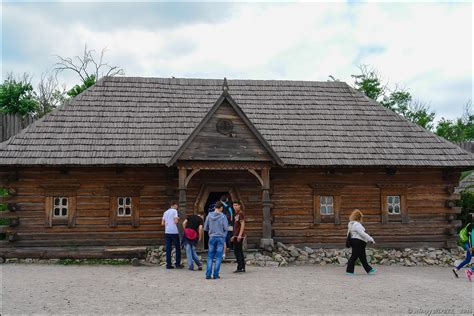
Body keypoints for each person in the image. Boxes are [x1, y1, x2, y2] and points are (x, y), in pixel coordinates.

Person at [346, 209, 376, 275]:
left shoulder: (350, 224)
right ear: (359, 217)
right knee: (354, 256)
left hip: (354, 241)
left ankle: (369, 269)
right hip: (359, 242)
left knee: (362, 256)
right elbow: (362, 233)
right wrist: (371, 239)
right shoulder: (357, 224)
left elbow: (348, 233)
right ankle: (349, 271)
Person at [203, 201, 228, 279]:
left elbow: (205, 228)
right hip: (220, 237)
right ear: (221, 208)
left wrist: (211, 231)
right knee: (218, 257)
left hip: (212, 237)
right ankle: (215, 275)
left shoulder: (209, 216)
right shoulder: (223, 216)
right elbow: (225, 228)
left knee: (210, 256)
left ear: (214, 207)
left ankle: (208, 274)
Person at [161, 201, 182, 269]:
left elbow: (162, 223)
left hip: (167, 231)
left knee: (168, 248)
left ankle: (168, 265)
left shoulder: (165, 212)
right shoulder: (174, 211)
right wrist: (177, 219)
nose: (177, 207)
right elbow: (176, 221)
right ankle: (177, 264)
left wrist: (168, 223)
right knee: (178, 248)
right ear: (174, 205)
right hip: (174, 231)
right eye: (177, 206)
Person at [231, 200, 246, 273]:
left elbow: (242, 224)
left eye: (236, 205)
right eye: (234, 205)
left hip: (239, 235)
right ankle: (242, 267)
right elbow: (236, 226)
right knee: (239, 250)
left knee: (237, 251)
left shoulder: (240, 213)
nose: (235, 207)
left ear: (239, 205)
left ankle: (240, 267)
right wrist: (234, 235)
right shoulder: (236, 214)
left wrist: (240, 235)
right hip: (236, 235)